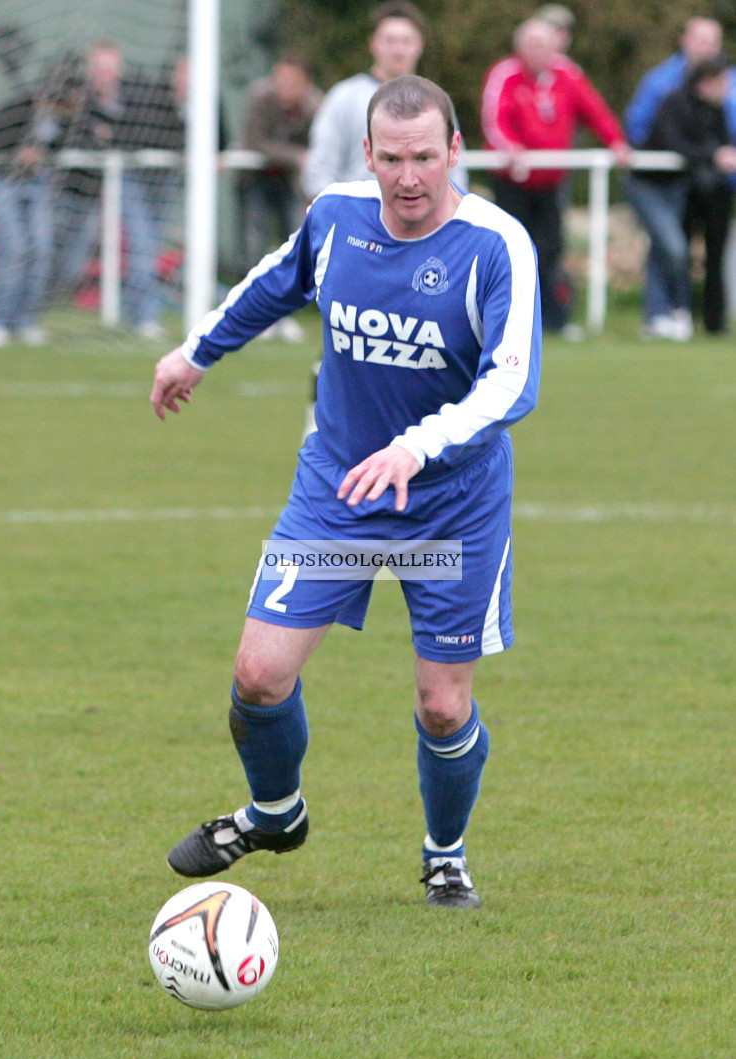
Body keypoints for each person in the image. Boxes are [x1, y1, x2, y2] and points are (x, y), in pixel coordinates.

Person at [150, 75, 541, 909]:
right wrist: (195, 353)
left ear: (455, 153)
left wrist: (415, 447)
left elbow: (509, 386)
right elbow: (273, 282)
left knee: (442, 708)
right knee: (258, 674)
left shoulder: (494, 243)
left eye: (425, 159)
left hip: (451, 508)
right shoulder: (336, 216)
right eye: (391, 159)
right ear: (367, 155)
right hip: (340, 496)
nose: (408, 178)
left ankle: (444, 856)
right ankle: (274, 814)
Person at [300, 2, 467, 427]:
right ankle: (321, 436)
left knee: (422, 346)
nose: (398, 49)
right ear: (375, 44)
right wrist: (338, 220)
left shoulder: (435, 105)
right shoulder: (346, 98)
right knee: (349, 342)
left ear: (419, 46)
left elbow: (454, 177)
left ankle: (417, 447)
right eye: (390, 39)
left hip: (425, 246)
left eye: (406, 40)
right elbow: (319, 168)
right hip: (361, 245)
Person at [481, 17, 629, 337]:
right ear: (520, 48)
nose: (540, 52)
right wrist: (510, 147)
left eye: (545, 45)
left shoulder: (567, 74)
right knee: (511, 251)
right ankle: (508, 320)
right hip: (512, 183)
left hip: (551, 184)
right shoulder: (505, 74)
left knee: (552, 250)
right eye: (533, 45)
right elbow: (494, 121)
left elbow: (594, 110)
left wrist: (615, 141)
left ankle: (556, 320)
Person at [53, 39, 189, 338]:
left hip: (138, 180)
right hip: (82, 191)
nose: (105, 75)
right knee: (69, 260)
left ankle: (142, 316)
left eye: (110, 68)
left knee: (144, 245)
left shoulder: (137, 96)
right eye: (99, 68)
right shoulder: (78, 100)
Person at [625, 17, 736, 336]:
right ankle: (664, 315)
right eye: (700, 39)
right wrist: (711, 155)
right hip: (656, 183)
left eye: (712, 40)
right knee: (671, 248)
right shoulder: (663, 86)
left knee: (693, 253)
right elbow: (651, 135)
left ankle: (694, 319)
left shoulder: (719, 97)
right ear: (685, 40)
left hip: (698, 186)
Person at [0, 63, 82, 346]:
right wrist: (17, 152)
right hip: (4, 180)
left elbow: (57, 147)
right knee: (14, 248)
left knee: (42, 248)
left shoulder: (65, 119)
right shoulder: (19, 106)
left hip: (37, 182)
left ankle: (26, 319)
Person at [237, 55, 322, 342]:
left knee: (294, 248)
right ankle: (252, 316)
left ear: (305, 84)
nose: (284, 87)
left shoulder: (315, 106)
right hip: (255, 182)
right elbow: (255, 141)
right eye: (280, 80)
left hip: (288, 184)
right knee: (255, 247)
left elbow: (318, 144)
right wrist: (295, 156)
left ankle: (283, 315)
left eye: (292, 82)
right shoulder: (260, 98)